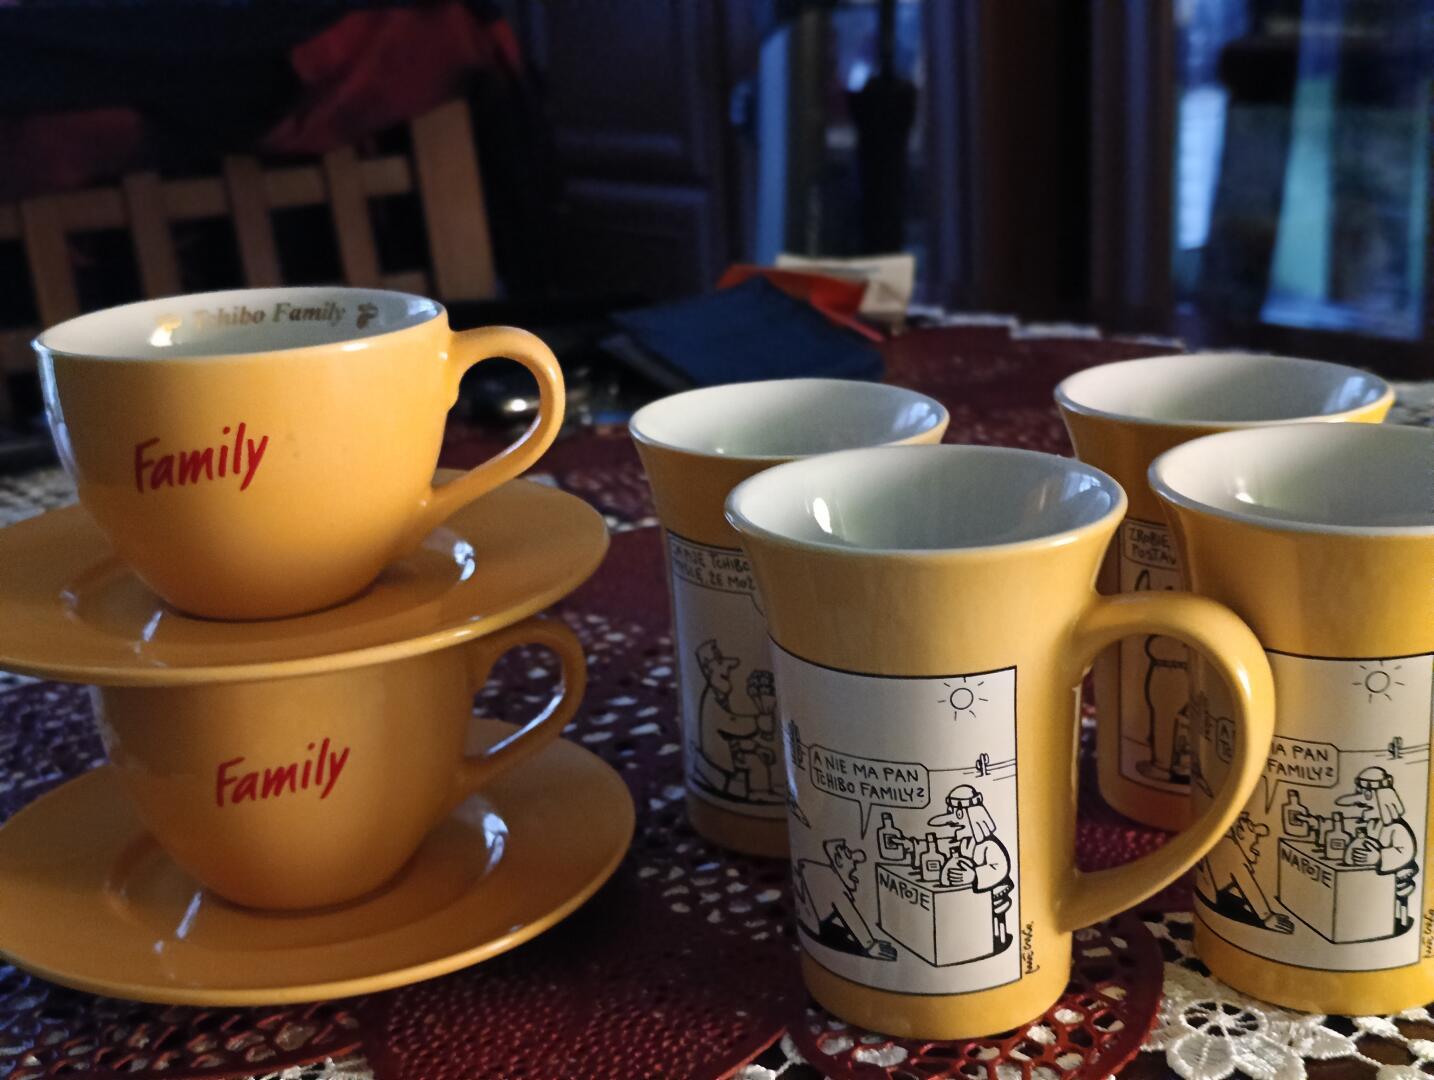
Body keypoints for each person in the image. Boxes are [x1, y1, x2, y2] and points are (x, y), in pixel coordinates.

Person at [927, 784, 1013, 950]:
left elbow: (999, 867)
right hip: (976, 896)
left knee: (992, 918)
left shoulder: (988, 845)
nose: (952, 823)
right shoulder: (965, 842)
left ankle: (998, 940)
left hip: (995, 893)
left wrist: (974, 876)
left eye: (957, 816)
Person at [1337, 766, 1418, 933]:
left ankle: (1399, 922)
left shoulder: (1396, 828)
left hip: (1399, 877)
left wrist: (1379, 857)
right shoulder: (1372, 825)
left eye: (1367, 798)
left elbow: (1404, 852)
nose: (1361, 806)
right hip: (1377, 879)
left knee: (1394, 902)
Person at [793, 838, 897, 960]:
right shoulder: (830, 880)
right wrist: (870, 945)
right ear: (838, 860)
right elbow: (848, 913)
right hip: (814, 941)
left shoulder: (814, 870)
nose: (856, 861)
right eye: (848, 854)